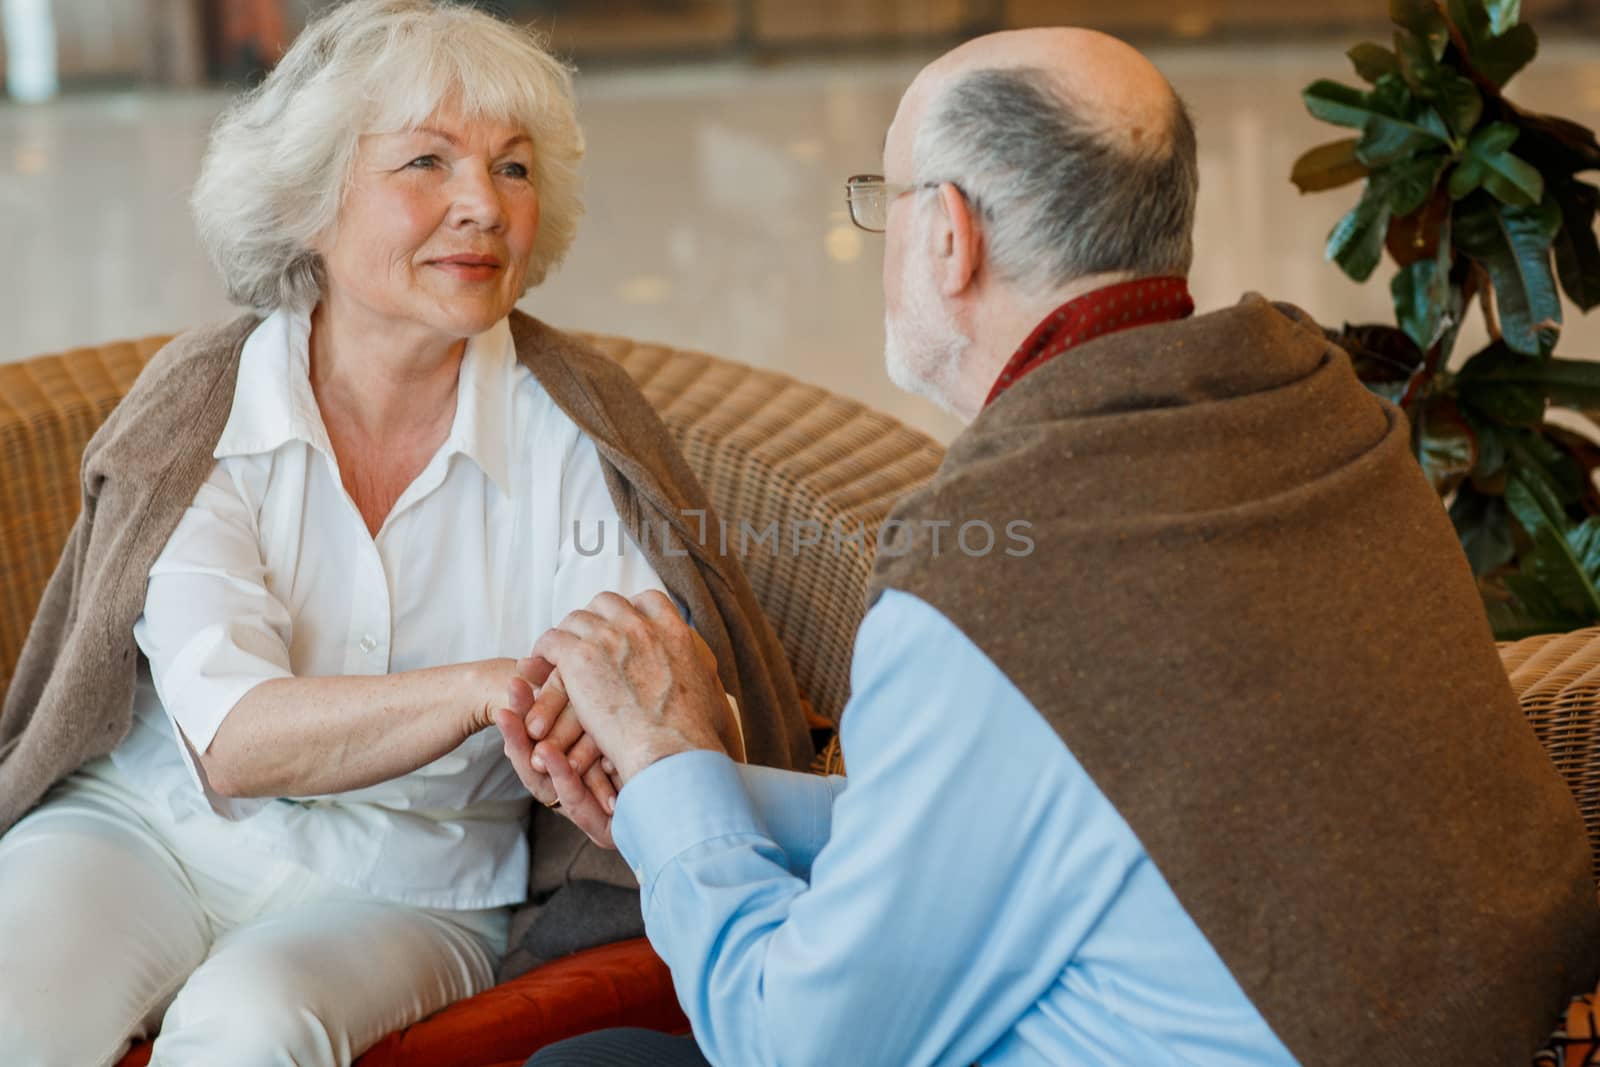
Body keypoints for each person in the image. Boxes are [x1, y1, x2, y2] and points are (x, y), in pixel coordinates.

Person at [507, 27, 1600, 1067]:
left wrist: (664, 767)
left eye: (884, 202)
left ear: (950, 235)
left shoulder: (990, 587)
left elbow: (794, 1038)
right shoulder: (1317, 421)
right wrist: (701, 792)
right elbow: (1026, 804)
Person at [0, 2, 808, 1064]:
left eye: (513, 169)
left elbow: (643, 685)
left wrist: (611, 730)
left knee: (256, 1024)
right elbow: (233, 738)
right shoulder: (208, 405)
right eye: (426, 161)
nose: (481, 203)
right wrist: (486, 687)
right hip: (149, 822)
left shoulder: (574, 429)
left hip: (415, 878)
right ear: (309, 203)